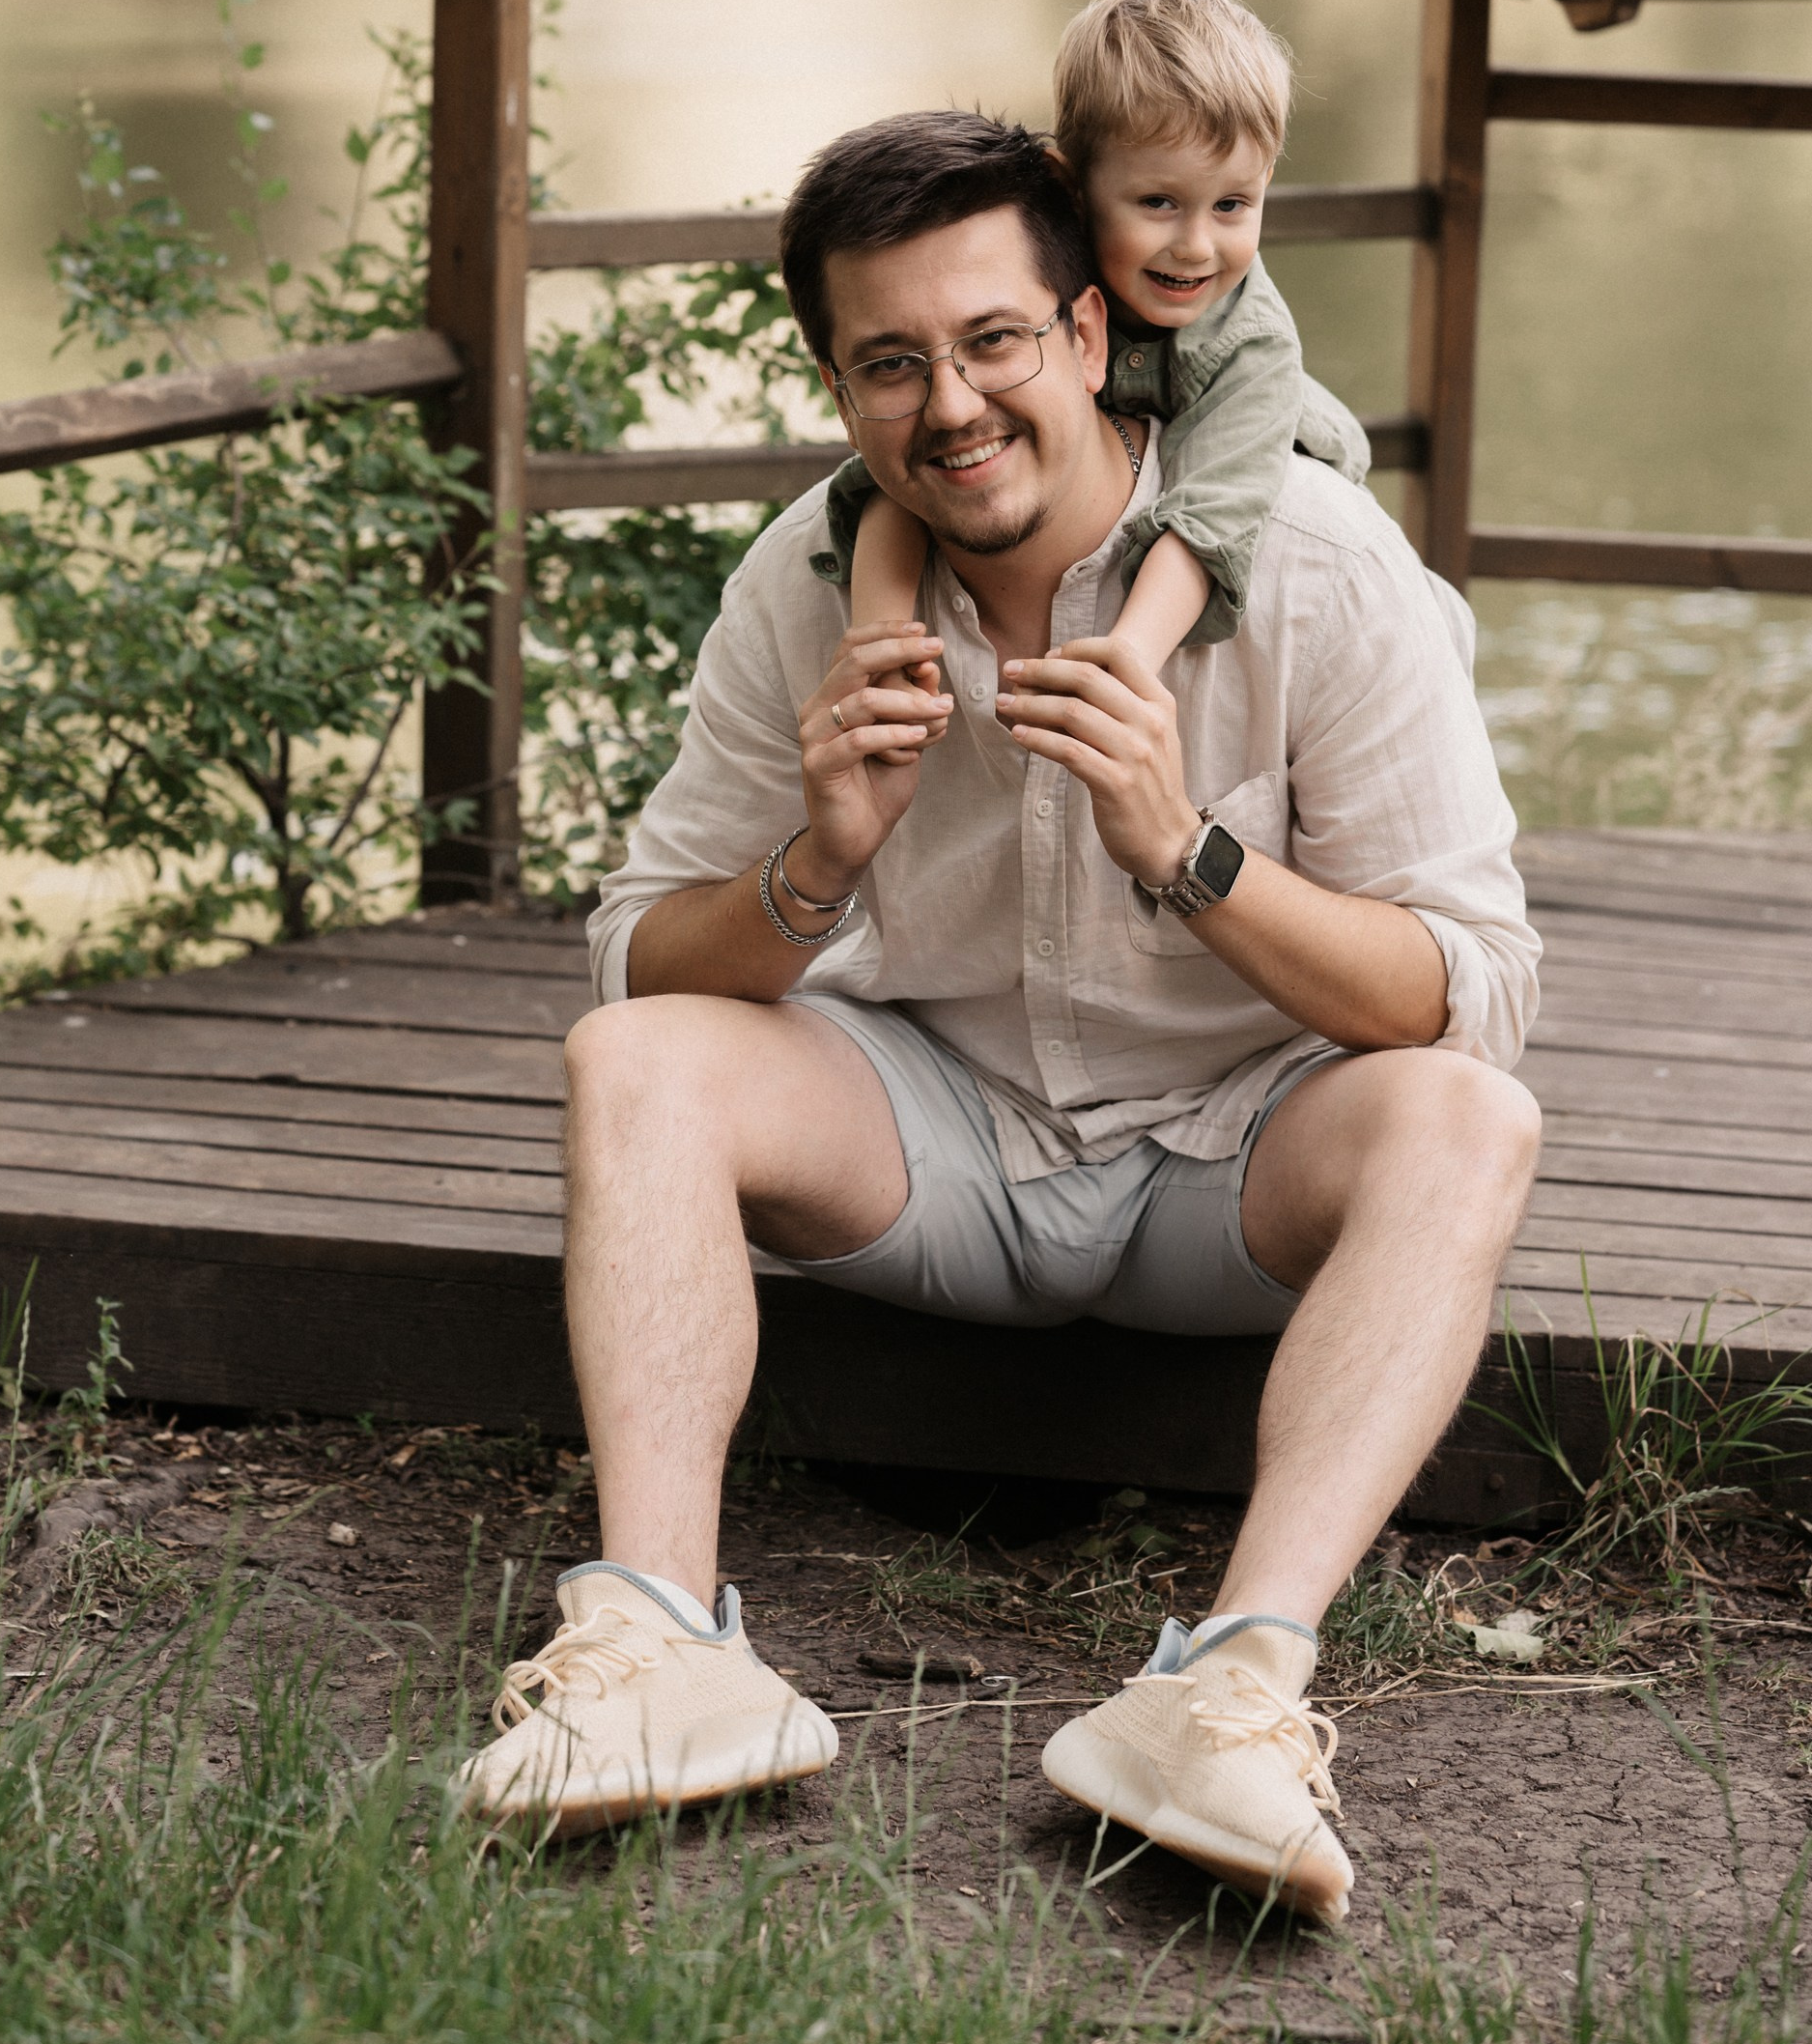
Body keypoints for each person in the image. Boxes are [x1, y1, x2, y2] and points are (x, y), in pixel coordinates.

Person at [454, 108, 1541, 1925]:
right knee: (629, 1059)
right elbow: (641, 953)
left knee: (1465, 1124)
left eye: (990, 342)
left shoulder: (1319, 565)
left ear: (1091, 336)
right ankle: (657, 1649)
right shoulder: (805, 589)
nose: (946, 404)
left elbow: (1468, 994)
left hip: (1233, 1169)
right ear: (837, 385)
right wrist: (819, 857)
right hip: (937, 1145)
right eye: (888, 363)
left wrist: (1184, 851)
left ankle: (1231, 1694)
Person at [838, 0, 1366, 681]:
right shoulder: (1029, 285)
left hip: (1248, 487)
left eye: (1233, 205)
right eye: (1157, 202)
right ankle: (877, 650)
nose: (1195, 246)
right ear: (1070, 187)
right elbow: (900, 475)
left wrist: (1128, 659)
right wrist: (882, 645)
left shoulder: (1250, 346)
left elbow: (1214, 514)